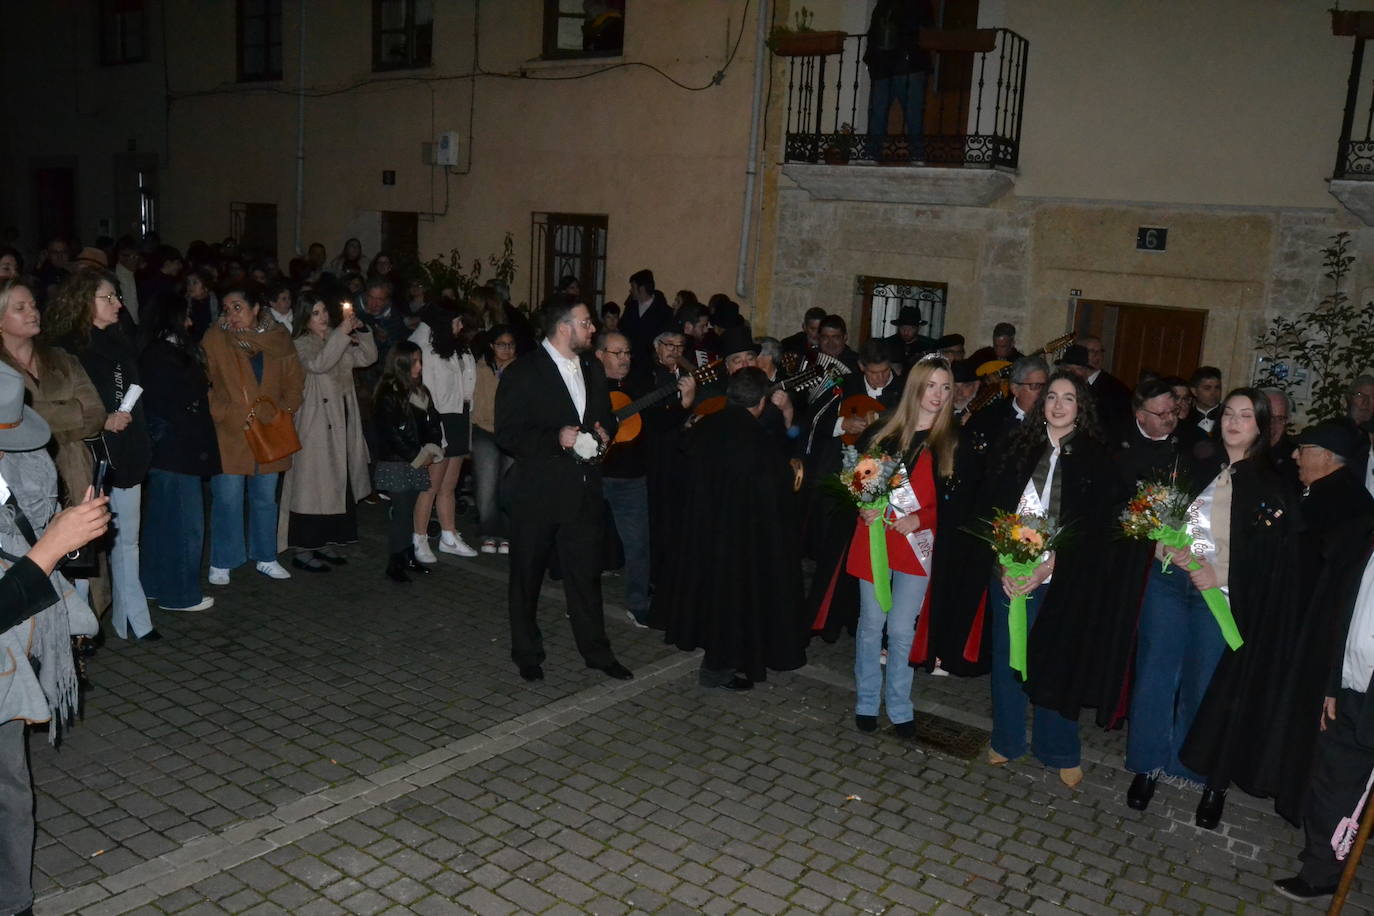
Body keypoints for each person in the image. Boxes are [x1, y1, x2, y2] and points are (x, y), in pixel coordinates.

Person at [1129, 389, 1295, 831]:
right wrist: (1162, 539)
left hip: (1219, 597)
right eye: (1229, 414)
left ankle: (1201, 775)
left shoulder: (1272, 483)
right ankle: (1148, 765)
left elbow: (1271, 560)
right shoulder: (1193, 460)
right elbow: (1155, 510)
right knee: (1155, 678)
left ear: (1261, 425)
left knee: (1206, 686)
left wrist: (1220, 577)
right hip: (1169, 583)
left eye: (1246, 416)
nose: (1234, 422)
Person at [0, 365, 110, 916]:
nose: (10, 453)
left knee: (11, 794)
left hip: (5, 669)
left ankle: (16, 902)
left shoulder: (20, 465)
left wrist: (71, 536)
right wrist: (49, 548)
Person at [984, 371, 1123, 787]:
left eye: (1069, 398)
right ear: (1041, 403)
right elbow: (991, 506)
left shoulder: (1098, 458)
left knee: (1058, 661)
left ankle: (1058, 748)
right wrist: (1006, 562)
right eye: (1051, 397)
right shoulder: (1016, 446)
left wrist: (1051, 564)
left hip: (1065, 578)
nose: (1059, 405)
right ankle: (1006, 740)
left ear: (1082, 407)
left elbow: (1100, 527)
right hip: (1010, 572)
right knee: (1008, 659)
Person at [494, 294, 632, 683]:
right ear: (564, 327)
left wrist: (605, 434)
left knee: (586, 577)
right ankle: (527, 652)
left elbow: (606, 417)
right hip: (537, 493)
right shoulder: (523, 372)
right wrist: (556, 437)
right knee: (527, 577)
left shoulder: (591, 367)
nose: (593, 329)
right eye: (586, 322)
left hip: (583, 491)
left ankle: (597, 652)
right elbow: (508, 434)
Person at [662, 367, 806, 689]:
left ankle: (716, 663)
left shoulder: (706, 426)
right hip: (738, 540)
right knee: (731, 604)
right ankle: (719, 669)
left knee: (710, 599)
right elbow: (777, 493)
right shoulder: (758, 442)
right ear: (760, 403)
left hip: (703, 533)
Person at [45, 271, 155, 641]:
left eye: (117, 297)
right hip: (88, 456)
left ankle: (133, 618)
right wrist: (102, 419)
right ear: (83, 302)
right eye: (109, 298)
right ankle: (82, 628)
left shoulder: (120, 342)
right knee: (86, 546)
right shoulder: (65, 350)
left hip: (127, 450)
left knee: (128, 539)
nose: (118, 305)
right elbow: (64, 404)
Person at [847, 356, 954, 732]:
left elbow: (957, 506)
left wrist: (919, 519)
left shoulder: (952, 441)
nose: (938, 395)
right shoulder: (884, 433)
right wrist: (865, 507)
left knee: (902, 630)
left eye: (945, 387)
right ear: (916, 387)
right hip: (876, 539)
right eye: (931, 385)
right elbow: (859, 483)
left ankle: (899, 704)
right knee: (872, 624)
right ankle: (865, 701)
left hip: (916, 542)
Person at [1272, 511, 1374, 902]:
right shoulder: (1367, 544)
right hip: (1351, 689)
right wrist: (1334, 683)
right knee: (1330, 786)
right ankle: (1320, 871)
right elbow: (1348, 616)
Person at [202, 286, 305, 585]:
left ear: (256, 308)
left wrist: (283, 411)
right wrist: (223, 411)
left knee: (264, 497)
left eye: (238, 307)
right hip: (230, 432)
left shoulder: (279, 339)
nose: (231, 315)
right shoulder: (215, 338)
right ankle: (223, 559)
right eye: (227, 308)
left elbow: (295, 380)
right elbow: (202, 381)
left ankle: (266, 556)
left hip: (270, 430)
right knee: (228, 498)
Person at [597, 329, 691, 628]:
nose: (625, 358)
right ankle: (582, 601)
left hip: (631, 477)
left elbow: (658, 421)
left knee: (638, 544)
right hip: (593, 475)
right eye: (617, 353)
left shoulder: (637, 384)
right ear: (600, 355)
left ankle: (639, 604)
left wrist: (684, 404)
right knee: (585, 541)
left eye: (627, 352)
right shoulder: (586, 386)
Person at [278, 294, 377, 571]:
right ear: (305, 318)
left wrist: (361, 329)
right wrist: (342, 335)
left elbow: (368, 357)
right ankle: (303, 550)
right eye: (316, 313)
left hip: (342, 421)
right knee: (312, 489)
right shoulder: (299, 344)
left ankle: (327, 542)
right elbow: (320, 364)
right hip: (316, 427)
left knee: (337, 486)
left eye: (324, 312)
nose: (323, 318)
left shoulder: (337, 337)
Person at [138, 294, 221, 613]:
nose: (190, 322)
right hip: (176, 451)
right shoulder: (163, 354)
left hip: (172, 451)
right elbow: (176, 400)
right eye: (184, 317)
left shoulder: (160, 351)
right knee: (184, 526)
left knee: (162, 523)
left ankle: (155, 584)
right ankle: (180, 595)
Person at [410, 303, 479, 560]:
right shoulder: (429, 353)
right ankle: (419, 538)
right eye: (455, 322)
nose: (460, 327)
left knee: (449, 485)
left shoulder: (461, 350)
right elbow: (427, 397)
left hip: (460, 417)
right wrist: (434, 433)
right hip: (440, 420)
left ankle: (449, 535)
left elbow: (468, 388)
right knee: (430, 485)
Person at [373, 341, 444, 583]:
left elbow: (433, 421)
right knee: (401, 513)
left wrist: (432, 448)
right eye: (414, 361)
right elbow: (391, 433)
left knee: (409, 511)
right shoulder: (388, 393)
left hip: (416, 458)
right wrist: (418, 455)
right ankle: (396, 562)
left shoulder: (420, 391)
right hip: (397, 462)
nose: (419, 366)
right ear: (401, 362)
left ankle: (408, 556)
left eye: (419, 360)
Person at [862, 0, 935, 161]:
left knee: (910, 113)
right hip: (890, 67)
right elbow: (873, 34)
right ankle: (873, 152)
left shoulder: (915, 5)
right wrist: (872, 62)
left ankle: (915, 154)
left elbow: (927, 33)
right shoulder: (884, 5)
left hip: (905, 65)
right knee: (880, 112)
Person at [470, 325, 517, 555]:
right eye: (501, 344)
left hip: (511, 432)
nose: (506, 349)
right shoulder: (479, 367)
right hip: (484, 430)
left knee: (507, 486)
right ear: (491, 345)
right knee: (486, 484)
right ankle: (489, 532)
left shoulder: (520, 369)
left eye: (510, 344)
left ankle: (507, 533)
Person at [618, 269, 672, 368]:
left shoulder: (664, 311)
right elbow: (622, 329)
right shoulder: (630, 307)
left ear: (641, 289)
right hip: (630, 363)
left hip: (651, 366)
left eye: (633, 287)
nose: (630, 291)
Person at [881, 304, 938, 369]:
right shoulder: (888, 344)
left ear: (918, 328)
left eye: (911, 328)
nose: (906, 332)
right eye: (903, 328)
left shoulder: (927, 347)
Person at [1185, 366, 1223, 438]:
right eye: (1207, 388)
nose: (1213, 393)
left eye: (1217, 388)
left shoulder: (1227, 416)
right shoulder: (1186, 417)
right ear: (1194, 391)